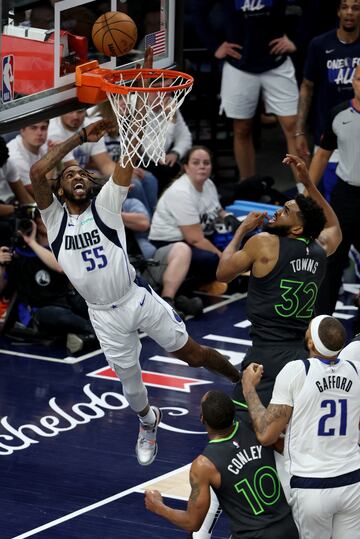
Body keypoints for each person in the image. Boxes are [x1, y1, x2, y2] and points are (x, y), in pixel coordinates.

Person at [29, 48, 240, 468]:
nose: (76, 176)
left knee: (193, 354)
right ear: (61, 188)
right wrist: (78, 140)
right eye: (68, 175)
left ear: (90, 184)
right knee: (132, 389)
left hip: (135, 299)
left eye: (81, 173)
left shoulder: (106, 205)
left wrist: (139, 94)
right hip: (102, 315)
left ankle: (242, 378)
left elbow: (128, 155)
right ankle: (148, 422)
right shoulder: (53, 220)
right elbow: (37, 175)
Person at [216, 154, 342, 408]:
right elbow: (334, 226)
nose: (276, 212)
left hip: (265, 353)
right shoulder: (320, 248)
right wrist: (309, 184)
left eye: (285, 212)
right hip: (302, 354)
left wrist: (241, 230)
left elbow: (222, 274)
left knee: (247, 421)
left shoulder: (264, 243)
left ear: (296, 229)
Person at [242, 315, 360, 539]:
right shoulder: (356, 370)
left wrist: (249, 389)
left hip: (312, 486)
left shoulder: (297, 371)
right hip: (353, 482)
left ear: (311, 343)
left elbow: (266, 435)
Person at [145, 390, 299, 538]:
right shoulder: (254, 425)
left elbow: (192, 522)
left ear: (202, 419)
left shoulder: (204, 465)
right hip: (289, 528)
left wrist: (158, 506)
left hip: (253, 535)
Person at [189, 0, 299, 183]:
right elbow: (197, 9)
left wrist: (297, 38)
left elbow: (315, 6)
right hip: (239, 64)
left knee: (294, 127)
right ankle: (248, 187)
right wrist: (214, 45)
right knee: (242, 129)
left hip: (277, 62)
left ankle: (306, 193)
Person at [0, 208, 97, 353]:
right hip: (39, 310)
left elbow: (60, 267)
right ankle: (97, 334)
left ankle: (89, 336)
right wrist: (1, 265)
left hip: (66, 300)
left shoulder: (63, 245)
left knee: (87, 302)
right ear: (35, 222)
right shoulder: (17, 254)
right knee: (61, 316)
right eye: (42, 218)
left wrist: (33, 243)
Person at [149, 146, 240, 293]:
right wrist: (222, 257)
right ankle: (202, 285)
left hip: (200, 235)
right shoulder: (181, 193)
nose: (202, 167)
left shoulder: (208, 184)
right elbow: (194, 239)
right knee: (211, 259)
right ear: (186, 167)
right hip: (172, 243)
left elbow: (216, 209)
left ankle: (223, 278)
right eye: (196, 163)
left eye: (206, 163)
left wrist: (227, 216)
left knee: (241, 241)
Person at [308, 64, 360, 315]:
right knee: (333, 259)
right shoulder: (338, 113)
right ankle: (321, 322)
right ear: (353, 80)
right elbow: (321, 156)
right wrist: (306, 191)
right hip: (345, 195)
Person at [295, 0, 360, 197]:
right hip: (328, 130)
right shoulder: (320, 44)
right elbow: (307, 86)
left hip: (357, 132)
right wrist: (299, 131)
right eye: (345, 7)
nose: (349, 12)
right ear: (338, 11)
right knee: (328, 193)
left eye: (355, 8)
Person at [7, 121, 51, 196]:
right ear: (22, 130)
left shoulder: (45, 145)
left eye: (43, 128)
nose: (39, 133)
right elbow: (41, 194)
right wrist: (51, 158)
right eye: (33, 128)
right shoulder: (15, 156)